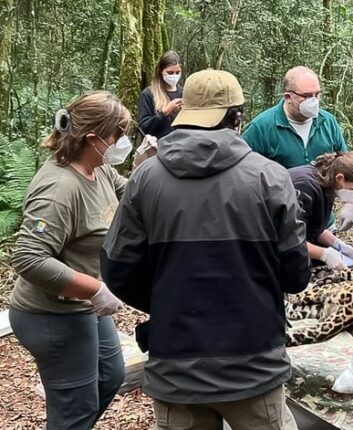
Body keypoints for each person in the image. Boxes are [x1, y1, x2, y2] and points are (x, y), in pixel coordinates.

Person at [100, 70, 308, 430]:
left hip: (175, 367)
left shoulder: (145, 179)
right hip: (253, 367)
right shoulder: (269, 178)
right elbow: (295, 273)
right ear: (237, 117)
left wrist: (170, 299)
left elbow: (117, 266)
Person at [9, 91, 130, 429]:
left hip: (84, 306)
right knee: (75, 408)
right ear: (93, 139)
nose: (124, 143)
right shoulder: (60, 189)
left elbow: (131, 193)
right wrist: (94, 288)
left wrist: (159, 167)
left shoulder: (99, 169)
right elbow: (28, 257)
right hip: (51, 315)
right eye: (118, 136)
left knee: (111, 376)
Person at [242, 66, 353, 231]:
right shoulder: (261, 127)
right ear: (288, 96)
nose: (314, 100)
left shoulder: (328, 122)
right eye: (307, 96)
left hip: (323, 223)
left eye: (317, 94)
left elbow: (346, 165)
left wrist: (349, 202)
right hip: (280, 225)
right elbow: (245, 177)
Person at [290, 151, 353, 270]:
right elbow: (289, 239)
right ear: (340, 178)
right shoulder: (305, 187)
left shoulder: (327, 185)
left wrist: (339, 244)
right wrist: (323, 254)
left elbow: (314, 229)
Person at [134, 51, 183, 166]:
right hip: (156, 155)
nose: (174, 76)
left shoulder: (183, 93)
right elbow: (144, 128)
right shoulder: (149, 94)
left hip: (180, 152)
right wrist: (165, 112)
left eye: (177, 72)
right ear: (161, 71)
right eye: (170, 72)